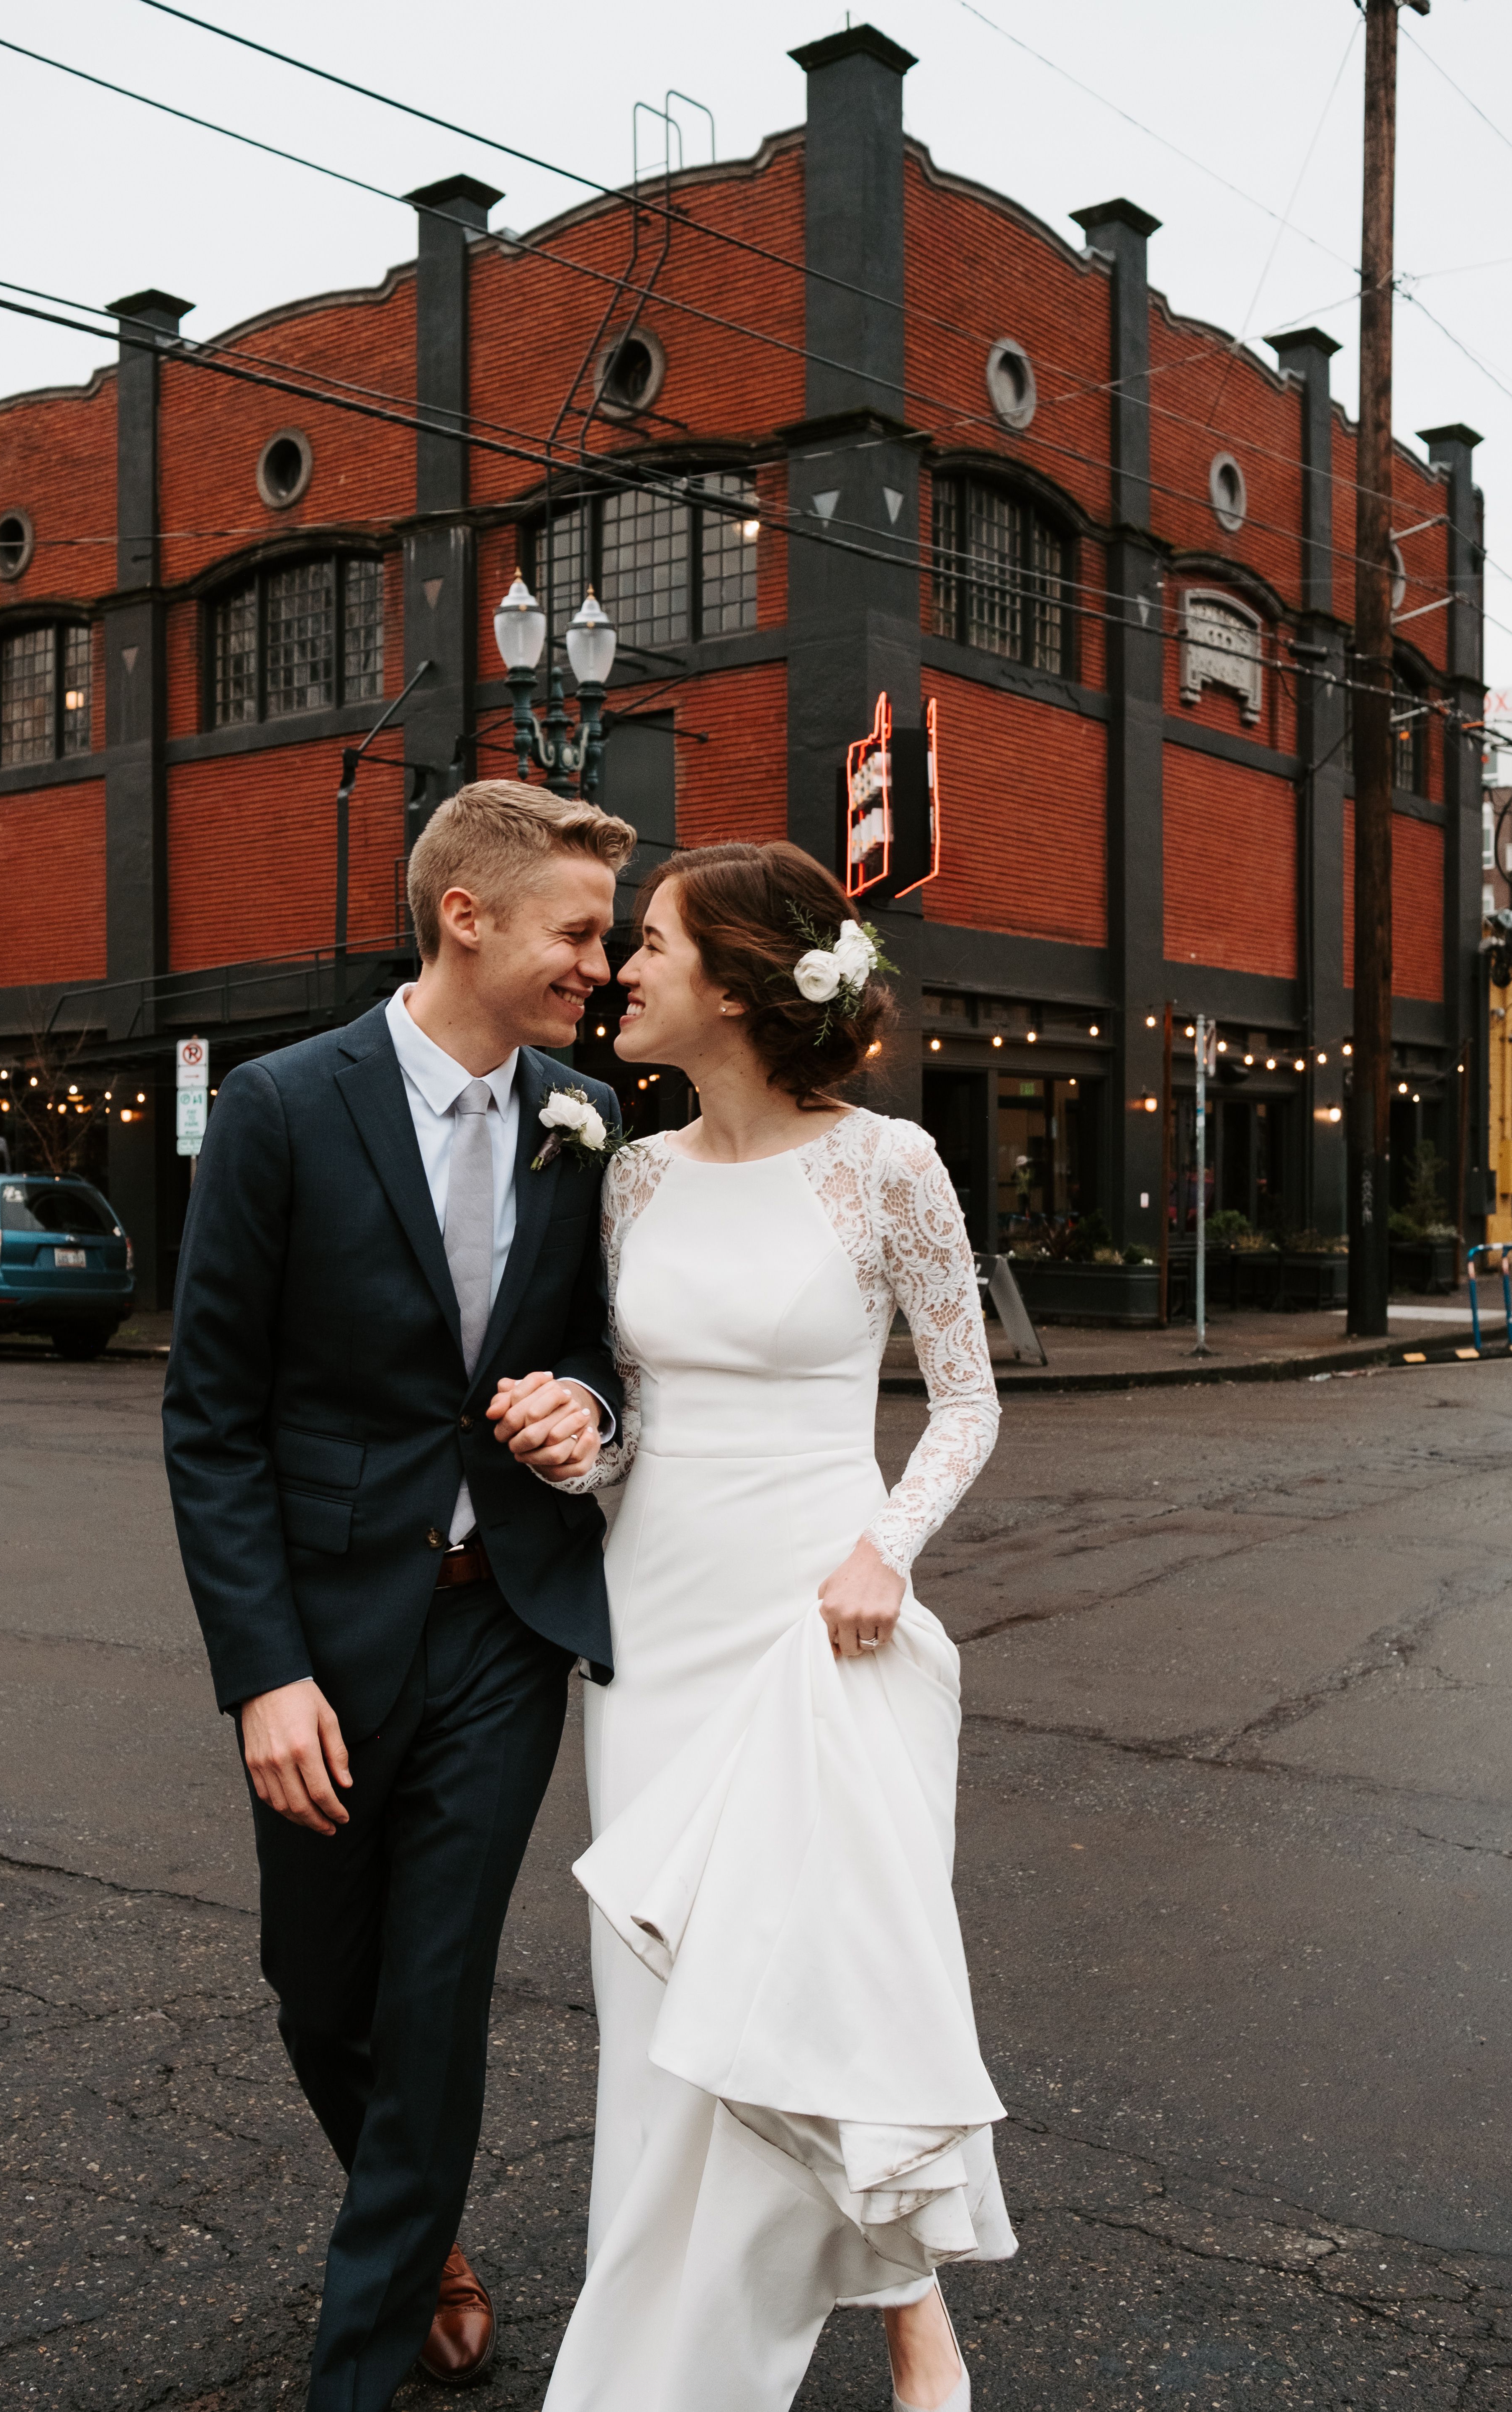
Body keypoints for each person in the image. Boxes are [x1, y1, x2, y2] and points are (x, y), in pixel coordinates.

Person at [162, 779, 635, 2410]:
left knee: (434, 1993)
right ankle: (418, 2216)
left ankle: (356, 2362)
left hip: (505, 1619)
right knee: (320, 1990)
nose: (602, 959)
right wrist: (261, 1673)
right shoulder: (285, 1106)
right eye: (578, 930)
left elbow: (595, 1340)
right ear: (467, 918)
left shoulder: (589, 1115)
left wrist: (585, 1408)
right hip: (326, 1637)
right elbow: (210, 1415)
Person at [544, 840, 1017, 2412]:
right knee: (665, 2005)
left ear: (743, 981)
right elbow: (636, 1415)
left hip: (820, 1620)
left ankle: (898, 2304)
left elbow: (964, 1400)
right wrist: (575, 1436)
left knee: (820, 1975)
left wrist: (886, 1546)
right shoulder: (626, 1172)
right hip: (654, 1620)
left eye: (653, 941)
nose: (622, 967)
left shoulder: (888, 1166)